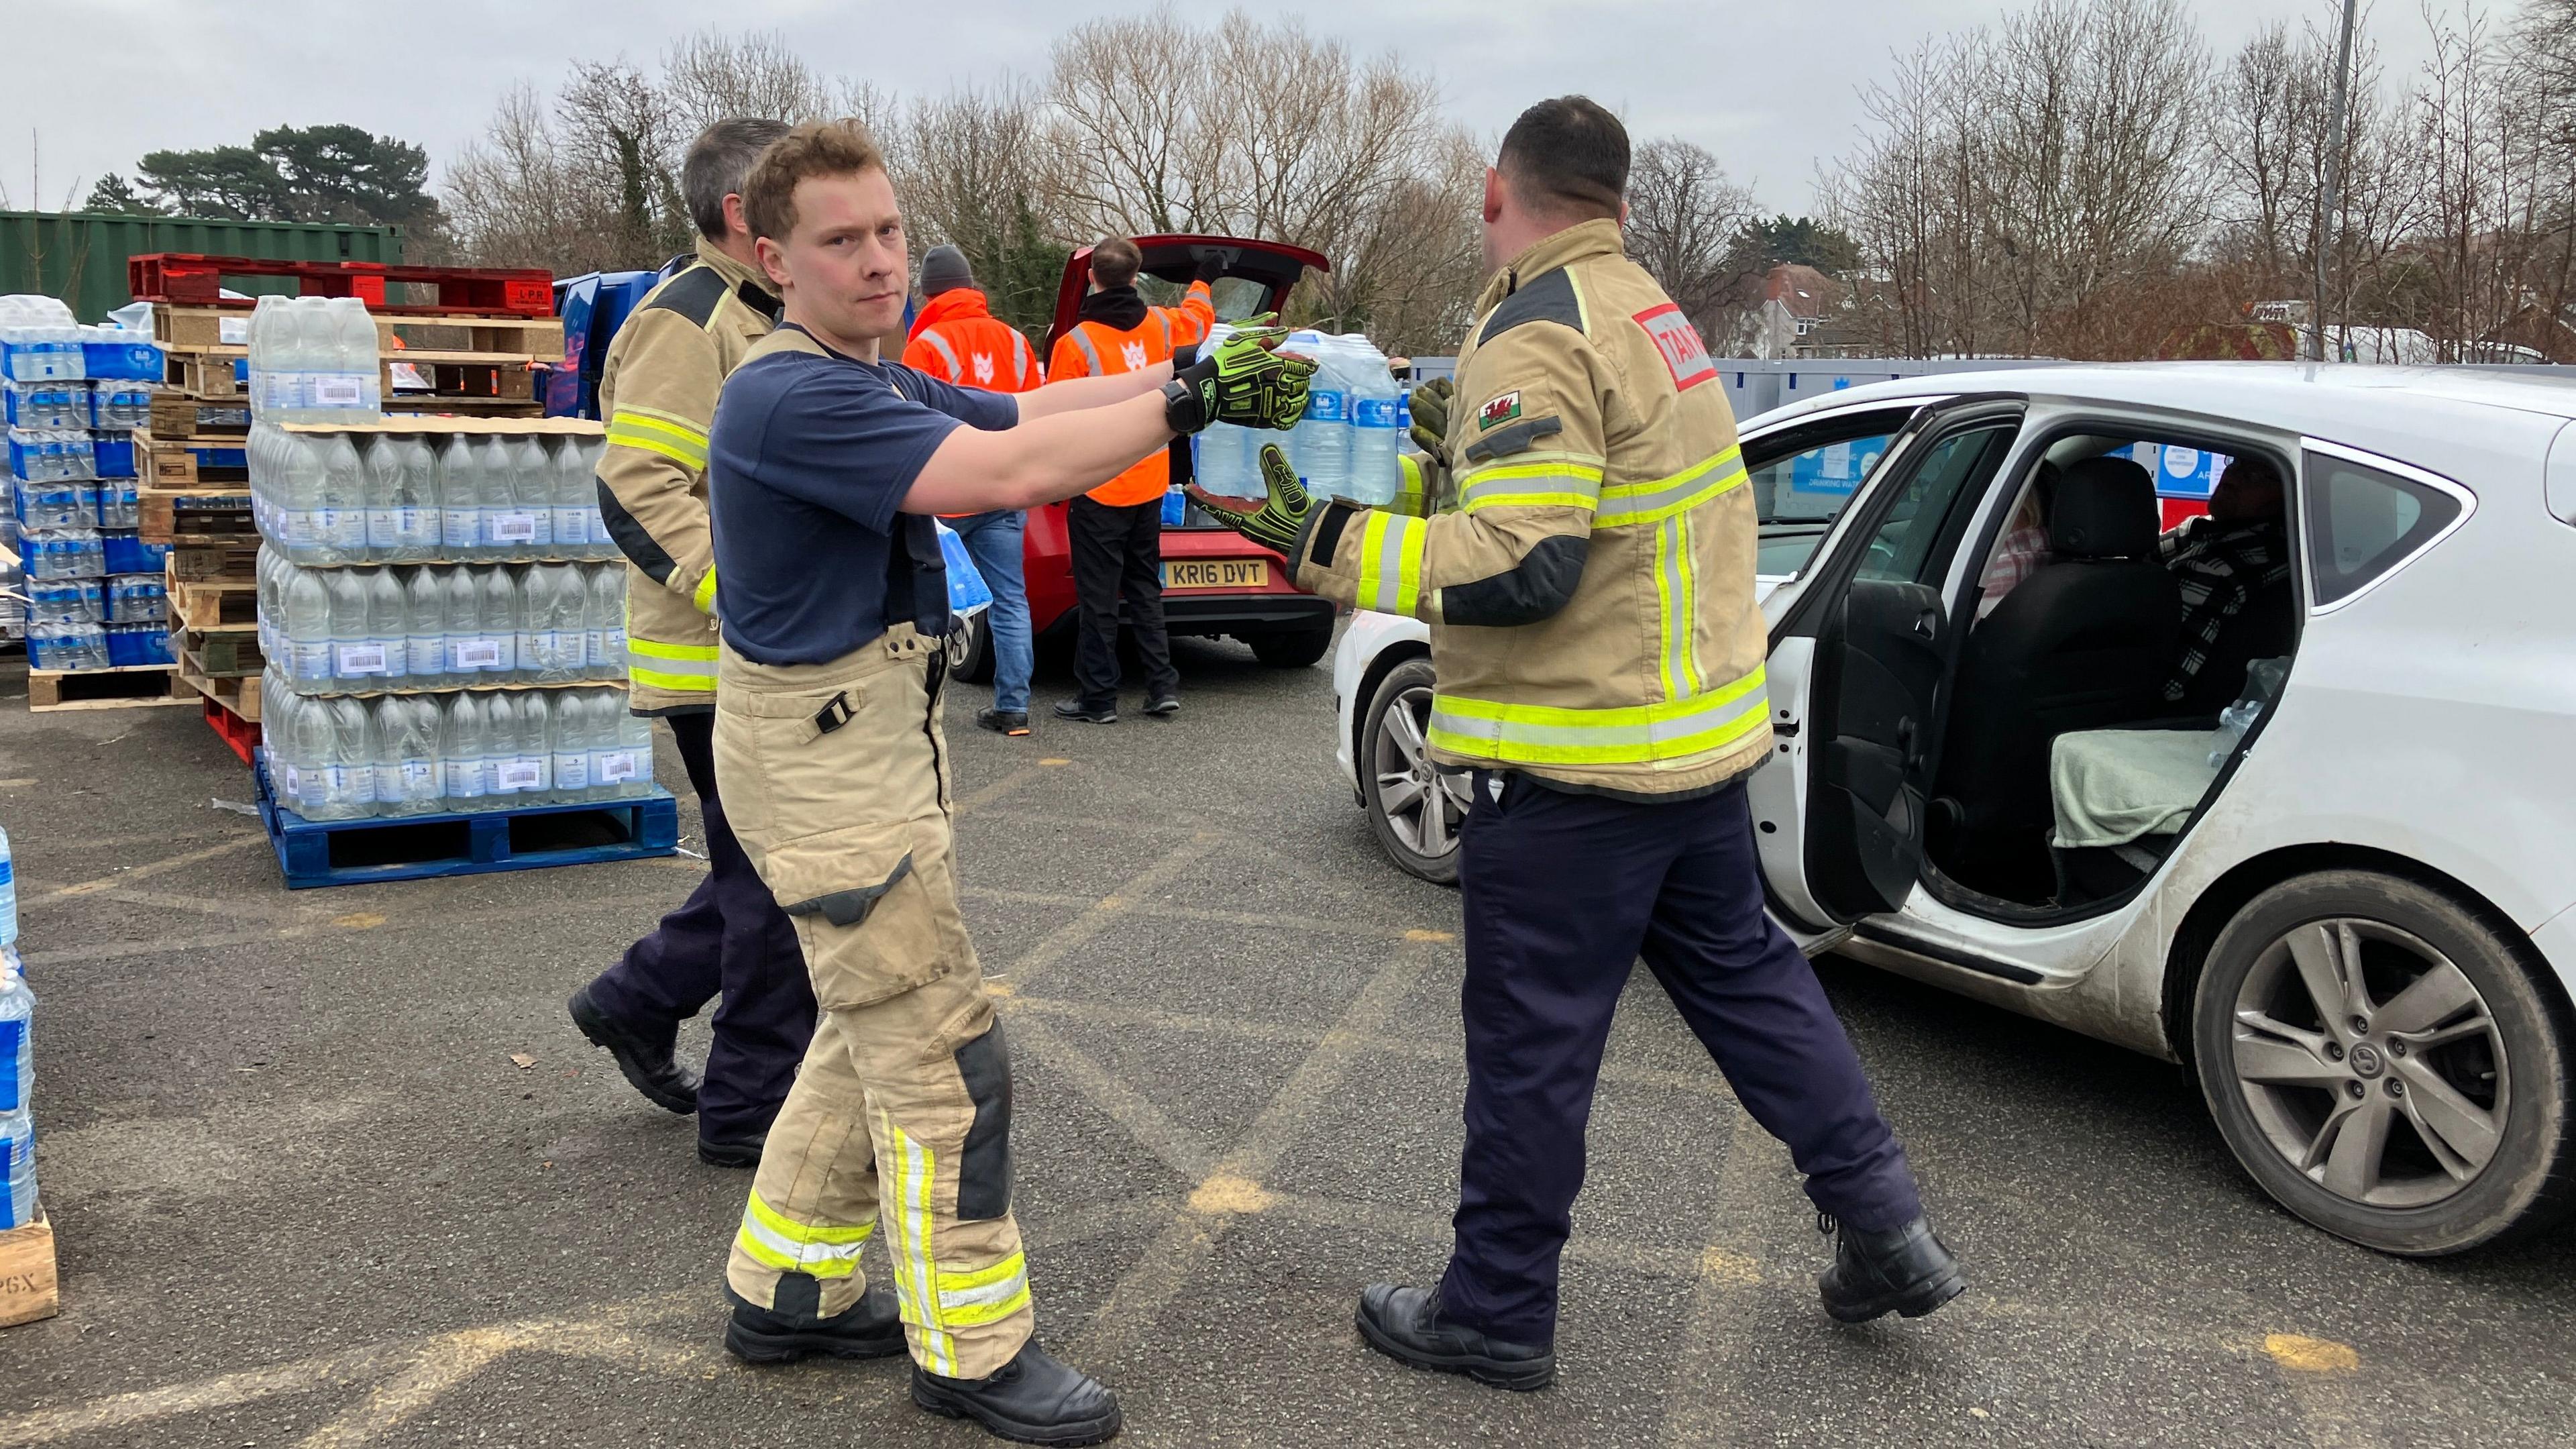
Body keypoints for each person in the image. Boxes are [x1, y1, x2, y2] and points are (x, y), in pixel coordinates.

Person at [1197, 97, 1962, 1393]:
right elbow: (1596, 511)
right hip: (1690, 756)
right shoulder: (1653, 315)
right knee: (1759, 995)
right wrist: (1450, 454)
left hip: (1575, 774)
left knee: (1532, 1052)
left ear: (1500, 192)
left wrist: (1327, 544)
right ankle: (1884, 1225)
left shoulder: (1531, 332)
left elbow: (1525, 567)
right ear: (1619, 200)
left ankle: (1494, 1309)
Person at [701, 119, 1309, 1444]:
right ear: (771, 255)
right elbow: (1015, 471)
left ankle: (788, 1288)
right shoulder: (792, 393)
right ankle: (972, 1352)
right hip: (830, 770)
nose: (879, 262)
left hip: (851, 749)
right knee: (943, 1061)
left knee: (872, 1027)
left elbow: (1033, 408)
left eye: (887, 230)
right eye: (840, 241)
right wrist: (1190, 404)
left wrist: (1183, 365)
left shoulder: (862, 370)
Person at [566, 117, 819, 1171]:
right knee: (773, 884)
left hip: (761, 650)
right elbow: (635, 487)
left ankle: (634, 1000)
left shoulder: (760, 314)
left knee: (765, 868)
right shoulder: (688, 320)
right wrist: (744, 591)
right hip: (715, 659)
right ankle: (750, 1104)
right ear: (741, 214)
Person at [1042, 238, 1220, 724]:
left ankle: (1098, 698)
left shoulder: (1074, 344)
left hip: (1099, 483)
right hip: (1149, 480)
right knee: (1144, 587)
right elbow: (1199, 320)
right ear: (1136, 277)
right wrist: (1205, 276)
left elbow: (1056, 417)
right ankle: (1162, 687)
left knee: (1098, 598)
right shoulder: (1163, 324)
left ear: (1094, 279)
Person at [902, 244, 1046, 735]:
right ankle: (1014, 707)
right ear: (970, 286)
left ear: (927, 293)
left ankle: (925, 708)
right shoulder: (1014, 341)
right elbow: (1035, 410)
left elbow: (912, 426)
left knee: (929, 601)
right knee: (1010, 599)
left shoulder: (924, 345)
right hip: (1005, 486)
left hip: (948, 492)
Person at [2159, 455, 2292, 704]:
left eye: (2254, 476)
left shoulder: (2218, 570)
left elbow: (2167, 683)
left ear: (2287, 493)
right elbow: (2148, 544)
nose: (2231, 477)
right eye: (2237, 463)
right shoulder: (2218, 531)